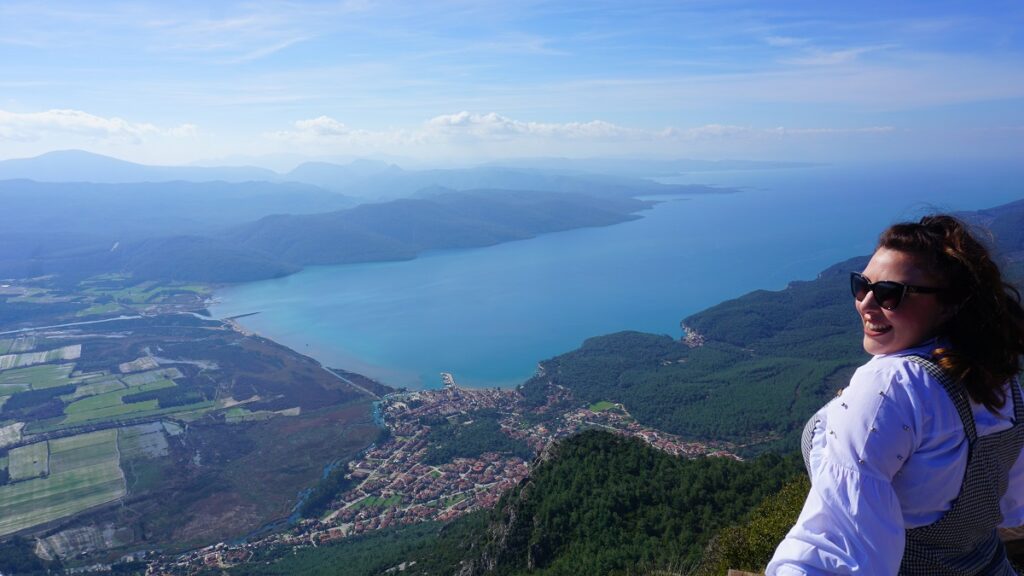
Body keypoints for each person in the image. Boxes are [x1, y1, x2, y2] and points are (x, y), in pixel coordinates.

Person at [767, 214, 1024, 575]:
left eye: (890, 294)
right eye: (861, 285)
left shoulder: (891, 386)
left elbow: (832, 547)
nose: (866, 303)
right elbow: (1012, 503)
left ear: (951, 304)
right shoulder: (998, 378)